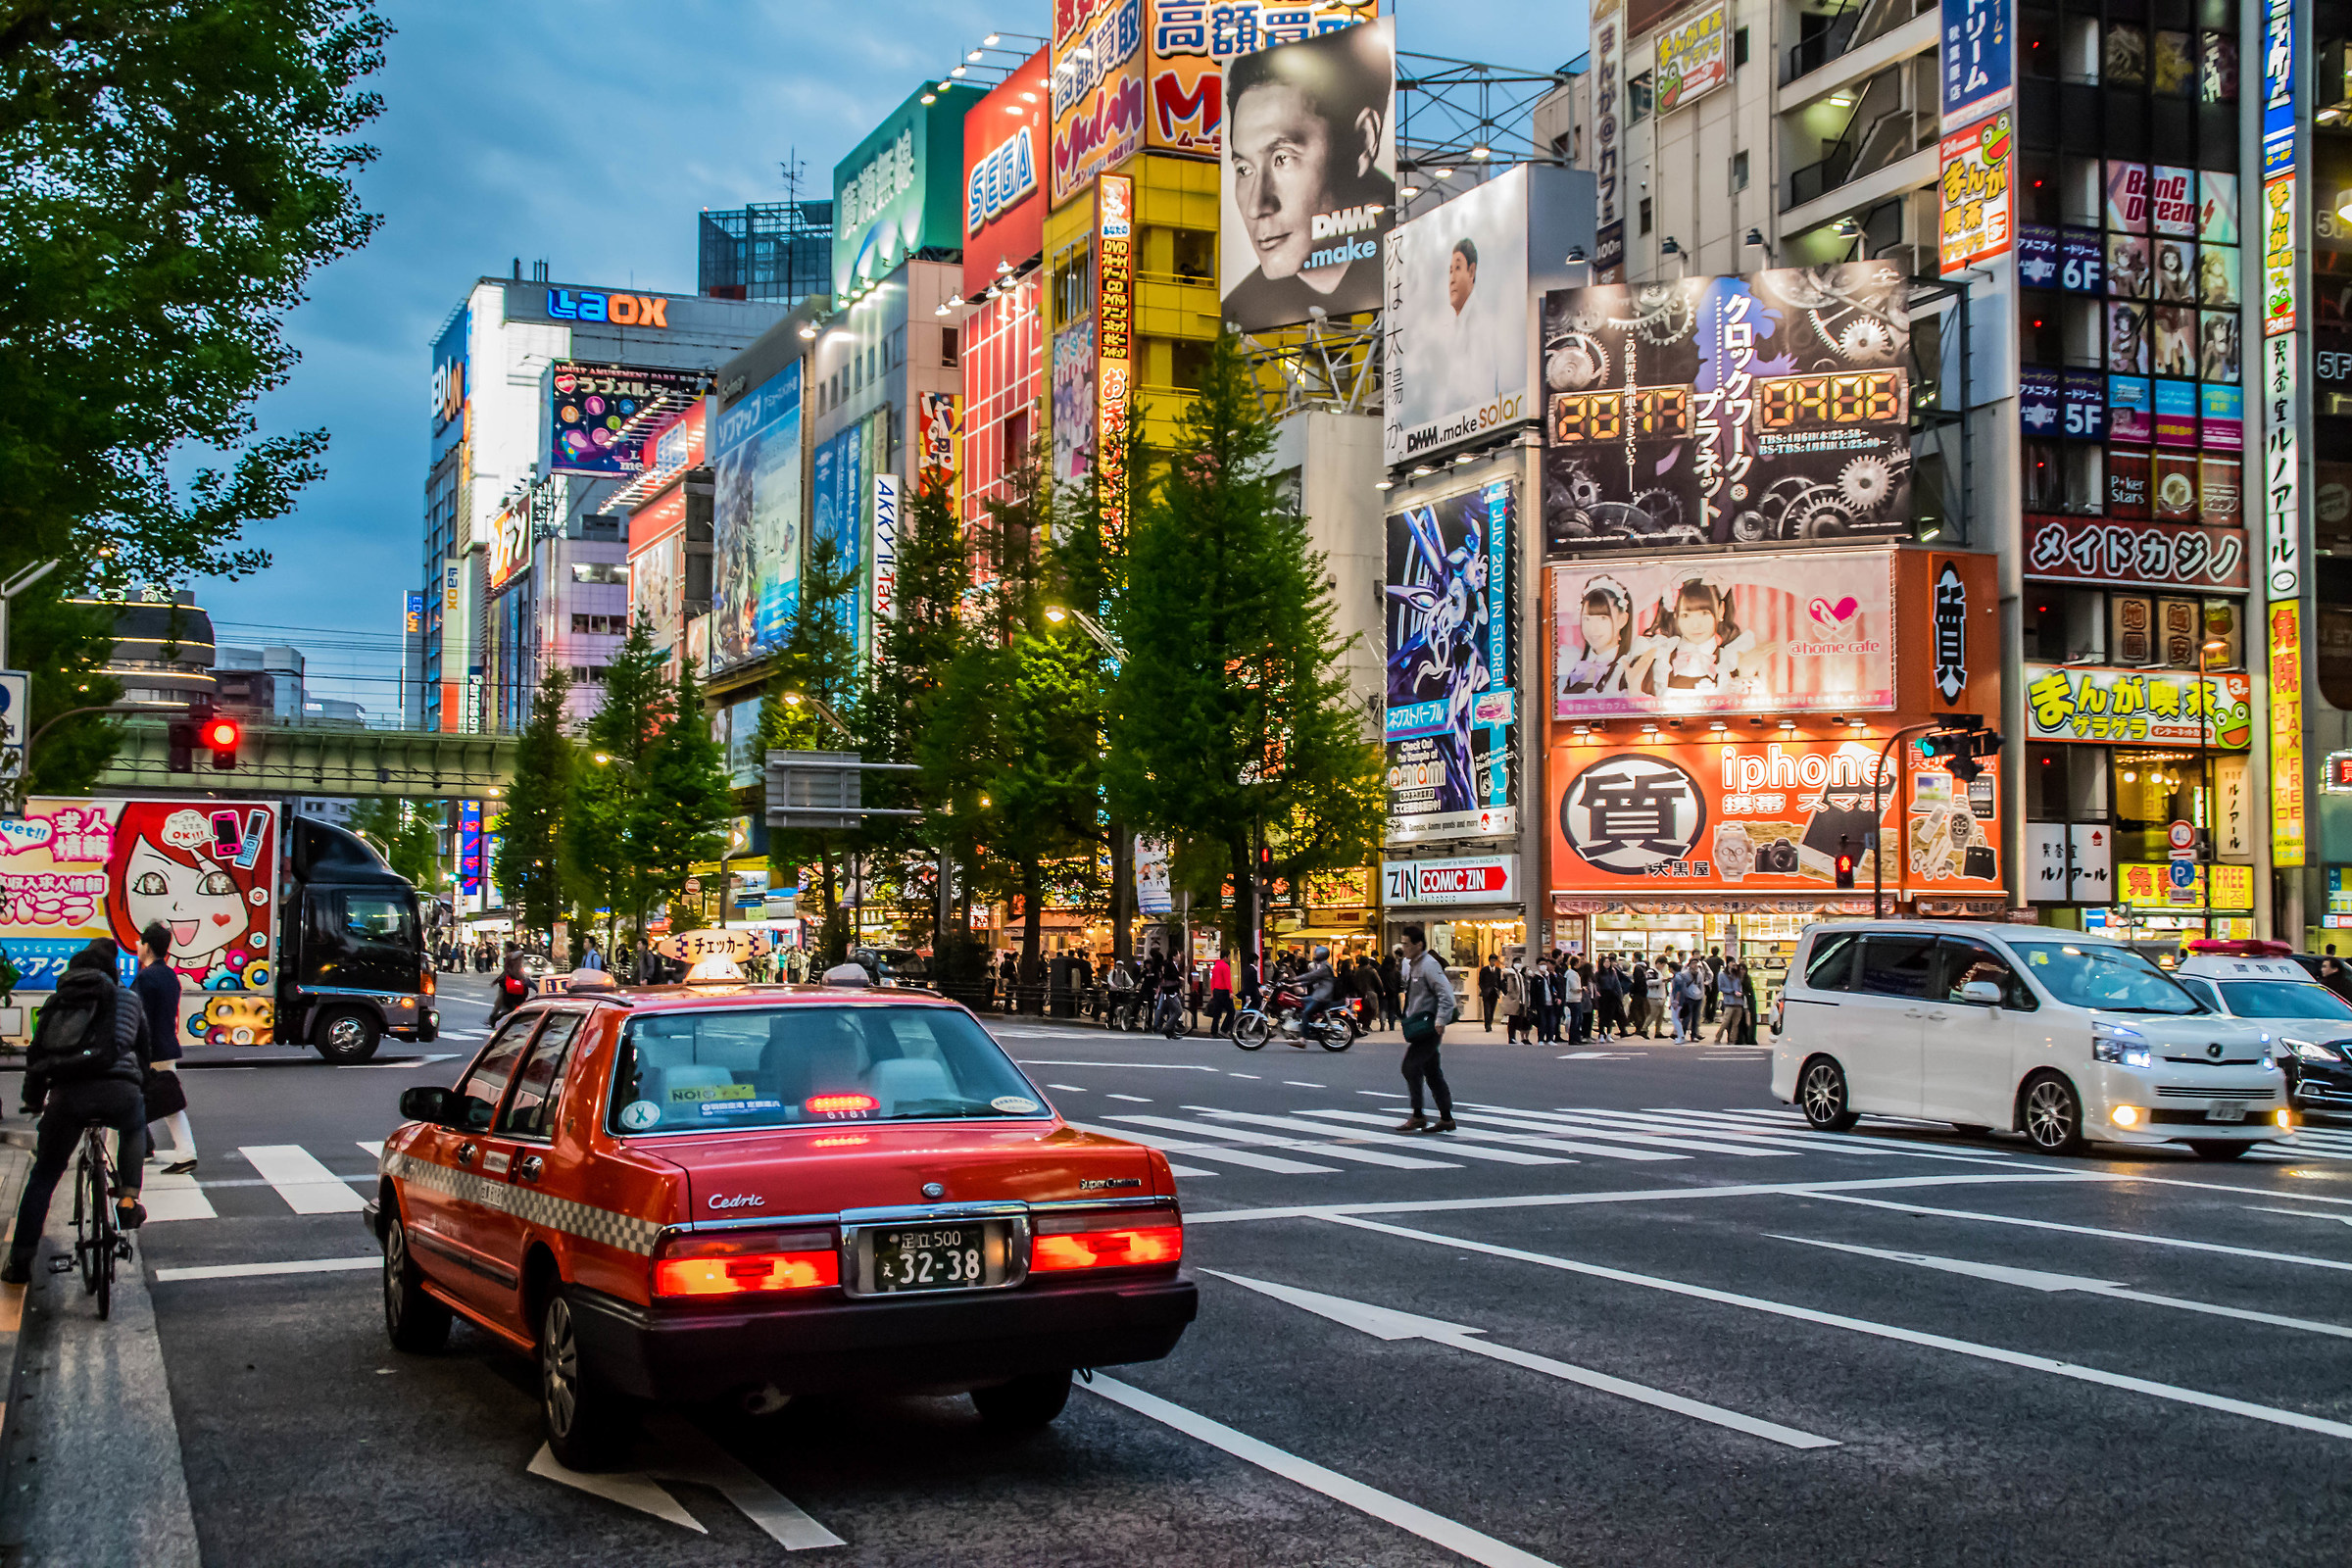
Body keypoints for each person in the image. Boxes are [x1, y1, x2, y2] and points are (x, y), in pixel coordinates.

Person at [1220, 24, 1395, 326]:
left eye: (1282, 158)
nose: (1256, 206)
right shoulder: (1239, 310)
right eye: (1244, 169)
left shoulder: (1417, 262)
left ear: (1364, 141)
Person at [4, 940, 149, 1284]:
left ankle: (20, 1262)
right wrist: (137, 1086)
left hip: (68, 1096)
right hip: (120, 1091)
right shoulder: (128, 998)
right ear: (112, 971)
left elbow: (37, 1060)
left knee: (44, 1174)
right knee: (133, 1126)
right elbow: (144, 1051)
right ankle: (128, 1200)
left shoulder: (58, 1001)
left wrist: (35, 1101)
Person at [133, 923, 197, 1175]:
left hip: (150, 1050)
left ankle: (185, 1153)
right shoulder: (170, 975)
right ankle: (147, 1148)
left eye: (140, 942)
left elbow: (138, 1016)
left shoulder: (146, 978)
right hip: (167, 1044)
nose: (138, 947)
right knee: (166, 1101)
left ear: (147, 946)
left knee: (164, 1104)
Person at [1394, 923, 1456, 1134]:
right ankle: (1446, 1118)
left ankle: (1418, 1115)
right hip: (1417, 1024)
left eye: (1406, 944)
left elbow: (1446, 996)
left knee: (1410, 1067)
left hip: (1429, 1026)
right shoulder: (1409, 964)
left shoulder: (1429, 965)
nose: (1403, 948)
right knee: (1432, 1071)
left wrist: (1440, 1020)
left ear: (1419, 944)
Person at [487, 950, 534, 1027]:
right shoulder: (512, 964)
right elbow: (509, 974)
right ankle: (496, 1019)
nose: (520, 960)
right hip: (512, 988)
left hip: (515, 988)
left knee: (511, 1007)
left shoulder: (513, 963)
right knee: (512, 1008)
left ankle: (495, 1018)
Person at [1714, 959, 1749, 1043]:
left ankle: (1732, 1039)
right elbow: (1721, 988)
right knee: (1725, 1022)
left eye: (1734, 963)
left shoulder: (1737, 975)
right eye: (1732, 963)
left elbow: (1740, 984)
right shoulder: (1722, 975)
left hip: (1738, 1002)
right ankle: (1718, 1037)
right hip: (1729, 1002)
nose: (1734, 965)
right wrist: (1732, 991)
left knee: (1735, 1023)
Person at [1561, 956, 1589, 1047]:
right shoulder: (1572, 974)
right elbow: (1574, 987)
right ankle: (1574, 1038)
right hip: (1574, 999)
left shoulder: (1570, 973)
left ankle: (1576, 1038)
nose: (1580, 964)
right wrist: (1582, 989)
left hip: (1574, 998)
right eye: (1579, 962)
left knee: (1577, 1019)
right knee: (1576, 1019)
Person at [1206, 953, 1235, 1037]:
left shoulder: (1216, 966)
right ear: (1225, 957)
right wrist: (1230, 991)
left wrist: (1212, 992)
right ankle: (1224, 1029)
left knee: (1217, 1012)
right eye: (1229, 957)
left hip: (1216, 991)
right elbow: (1227, 980)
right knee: (1231, 1011)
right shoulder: (1225, 966)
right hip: (1224, 991)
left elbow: (1212, 980)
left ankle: (1214, 1031)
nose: (1229, 959)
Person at [1478, 956, 1502, 1032]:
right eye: (1492, 960)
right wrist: (1483, 989)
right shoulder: (1484, 970)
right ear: (1489, 961)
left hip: (1494, 993)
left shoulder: (1498, 970)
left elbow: (1500, 981)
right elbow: (1480, 981)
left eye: (1494, 960)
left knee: (1492, 1009)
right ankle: (1487, 1025)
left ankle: (1490, 1023)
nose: (1493, 962)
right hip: (1486, 993)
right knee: (1487, 1009)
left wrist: (1499, 990)